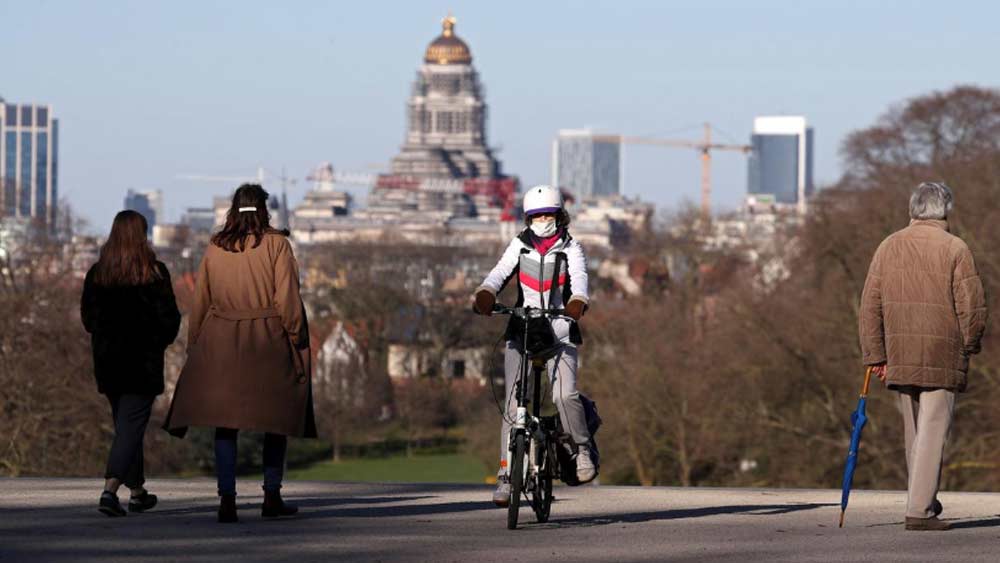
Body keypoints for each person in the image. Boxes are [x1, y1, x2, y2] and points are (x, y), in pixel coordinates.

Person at [163, 184, 317, 523]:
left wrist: (195, 343)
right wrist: (297, 336)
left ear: (233, 209)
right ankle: (271, 496)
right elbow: (288, 299)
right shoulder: (277, 245)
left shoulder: (216, 247)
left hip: (221, 340)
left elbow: (201, 299)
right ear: (264, 209)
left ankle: (227, 500)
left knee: (225, 424)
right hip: (268, 340)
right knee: (275, 421)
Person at [859, 182, 988, 531]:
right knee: (933, 430)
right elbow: (973, 307)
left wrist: (875, 355)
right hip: (943, 351)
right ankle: (919, 510)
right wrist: (970, 345)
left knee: (915, 432)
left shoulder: (888, 245)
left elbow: (870, 305)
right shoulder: (955, 248)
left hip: (899, 351)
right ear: (945, 209)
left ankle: (922, 498)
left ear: (913, 209)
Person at [473, 185, 596, 507]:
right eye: (536, 216)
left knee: (564, 395)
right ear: (528, 218)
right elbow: (499, 272)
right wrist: (486, 293)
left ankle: (582, 449)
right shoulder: (520, 245)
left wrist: (578, 301)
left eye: (548, 214)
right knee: (513, 405)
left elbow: (580, 279)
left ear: (559, 215)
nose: (543, 220)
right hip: (523, 329)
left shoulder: (571, 248)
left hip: (559, 330)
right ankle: (506, 474)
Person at [81, 210, 181, 517]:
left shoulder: (98, 274)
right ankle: (109, 491)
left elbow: (89, 320)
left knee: (127, 427)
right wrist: (157, 341)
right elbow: (170, 319)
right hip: (142, 363)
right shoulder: (155, 273)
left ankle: (137, 492)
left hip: (109, 362)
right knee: (130, 428)